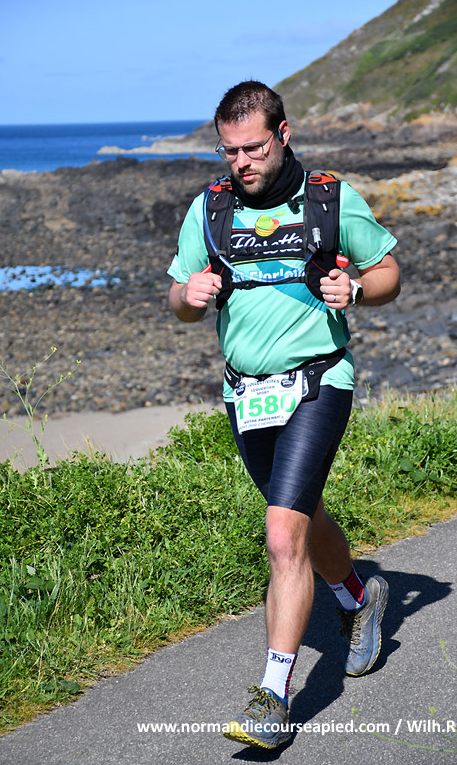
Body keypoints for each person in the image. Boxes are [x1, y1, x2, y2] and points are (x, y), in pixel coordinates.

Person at [167, 80, 400, 750]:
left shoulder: (329, 199)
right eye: (229, 150)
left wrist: (356, 289)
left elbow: (388, 272)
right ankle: (358, 599)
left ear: (284, 134)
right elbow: (178, 298)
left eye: (253, 148)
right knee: (300, 518)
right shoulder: (210, 209)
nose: (241, 162)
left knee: (279, 534)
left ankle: (273, 698)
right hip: (246, 393)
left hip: (319, 382)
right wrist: (191, 295)